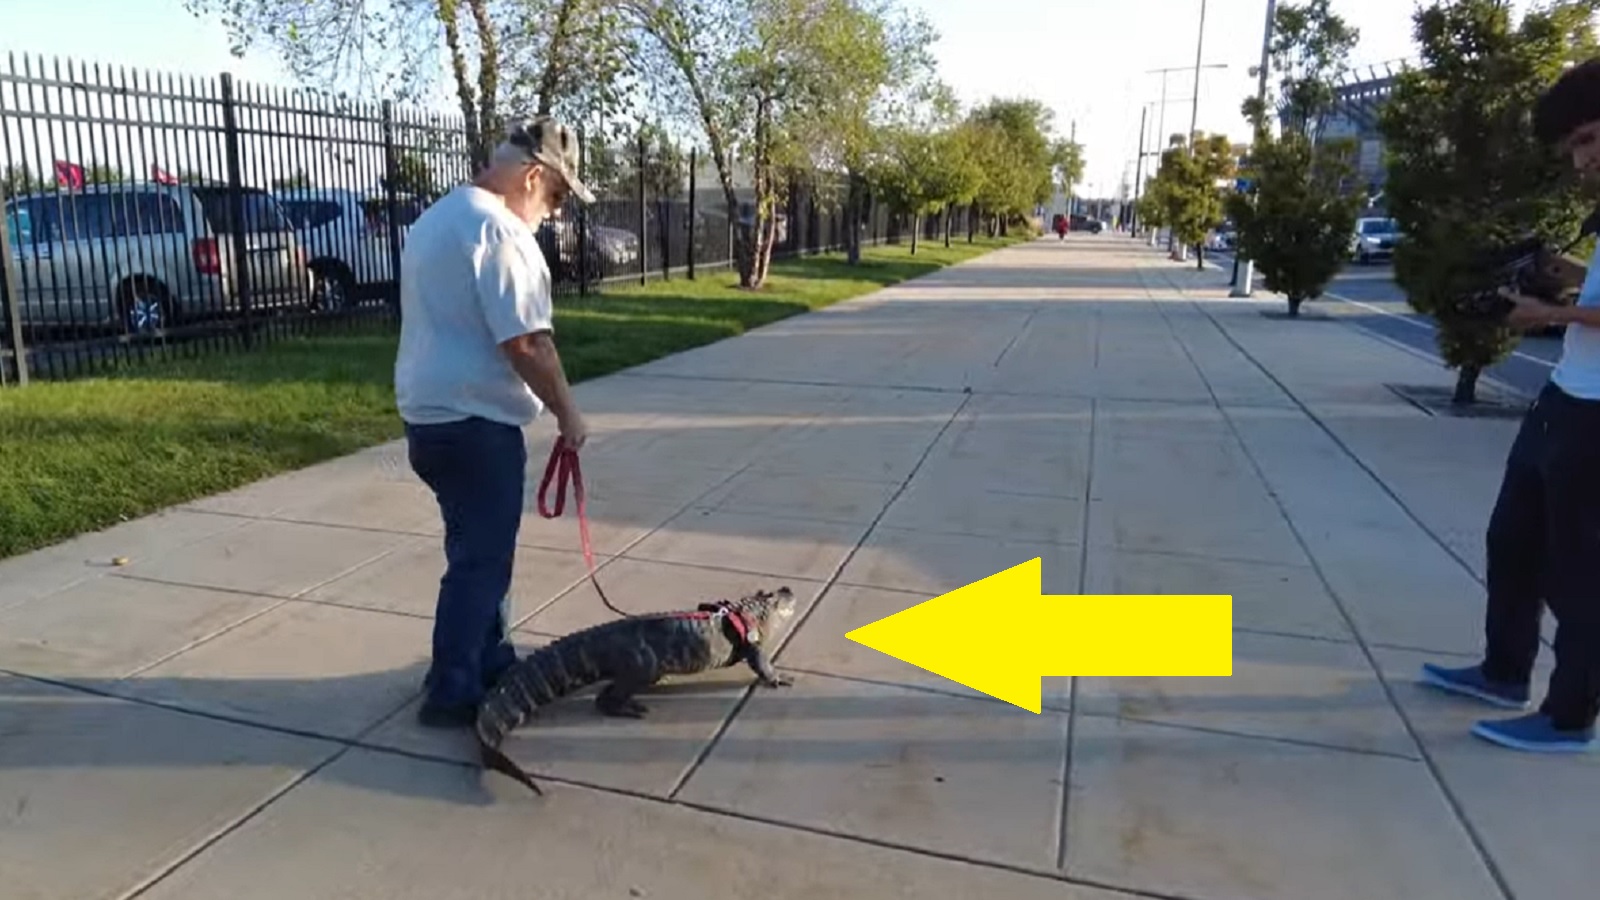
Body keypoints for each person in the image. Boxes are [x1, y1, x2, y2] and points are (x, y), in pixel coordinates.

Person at [1419, 58, 1600, 753]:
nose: (1582, 160)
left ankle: (1569, 716)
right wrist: (1572, 280)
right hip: (1566, 396)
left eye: (1589, 138)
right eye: (1574, 148)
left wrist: (1545, 314)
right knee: (1512, 542)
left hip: (1596, 418)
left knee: (1578, 570)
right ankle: (1503, 671)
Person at [393, 116, 596, 727]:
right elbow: (528, 343)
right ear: (534, 176)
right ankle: (453, 688)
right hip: (474, 422)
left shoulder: (439, 218)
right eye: (557, 196)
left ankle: (489, 658)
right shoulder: (500, 231)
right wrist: (569, 412)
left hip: (429, 419)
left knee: (477, 549)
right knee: (482, 561)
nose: (555, 212)